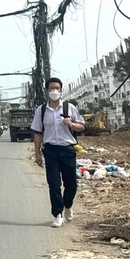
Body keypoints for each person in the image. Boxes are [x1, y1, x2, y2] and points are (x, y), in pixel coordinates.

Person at [31, 77, 86, 228]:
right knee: (54, 184)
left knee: (71, 184)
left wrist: (72, 124)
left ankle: (67, 205)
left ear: (61, 91)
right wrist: (37, 154)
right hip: (51, 151)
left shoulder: (69, 108)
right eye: (51, 88)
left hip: (68, 150)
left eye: (57, 88)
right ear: (46, 91)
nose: (54, 91)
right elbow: (37, 133)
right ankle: (57, 214)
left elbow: (82, 126)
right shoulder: (41, 110)